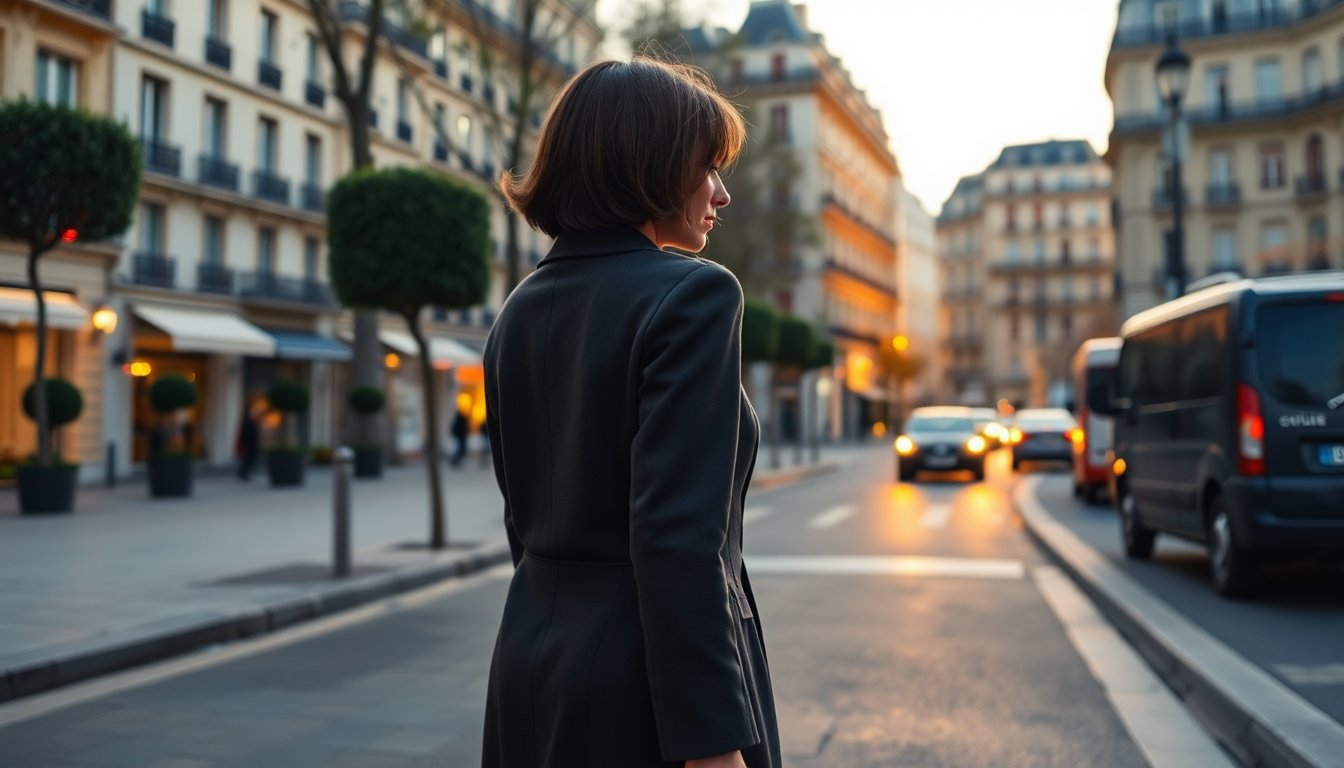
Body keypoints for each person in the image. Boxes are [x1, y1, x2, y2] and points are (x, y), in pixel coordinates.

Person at [481, 58, 779, 768]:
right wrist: (712, 744)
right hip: (647, 694)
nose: (722, 193)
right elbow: (678, 541)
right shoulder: (696, 297)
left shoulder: (519, 308)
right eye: (707, 167)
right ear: (650, 164)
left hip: (529, 666)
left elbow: (523, 524)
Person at [234, 399, 261, 481]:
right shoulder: (247, 421)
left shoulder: (253, 421)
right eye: (253, 410)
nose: (255, 412)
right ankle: (243, 473)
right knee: (247, 459)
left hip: (253, 444)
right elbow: (245, 434)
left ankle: (244, 473)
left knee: (250, 459)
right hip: (248, 444)